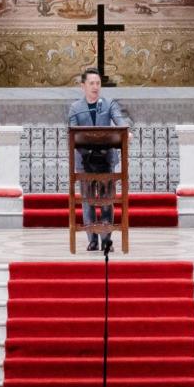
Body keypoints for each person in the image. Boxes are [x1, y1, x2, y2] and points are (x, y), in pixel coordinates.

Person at [67, 68, 131, 252]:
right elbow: (72, 131)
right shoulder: (75, 107)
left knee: (106, 200)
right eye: (91, 83)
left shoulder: (109, 103)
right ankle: (92, 239)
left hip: (106, 160)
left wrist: (126, 131)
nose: (95, 87)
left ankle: (106, 239)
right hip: (85, 161)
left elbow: (119, 121)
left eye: (98, 83)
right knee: (87, 201)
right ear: (83, 86)